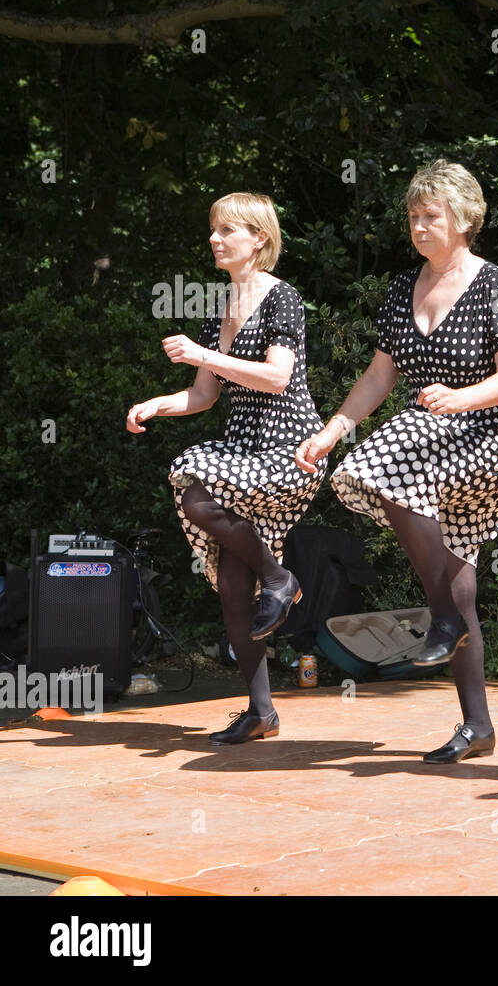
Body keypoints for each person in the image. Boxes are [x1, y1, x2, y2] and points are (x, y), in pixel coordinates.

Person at [295, 160, 498, 764]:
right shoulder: (403, 288)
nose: (420, 226)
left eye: (432, 216)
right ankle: (477, 725)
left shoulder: (493, 283)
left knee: (379, 464)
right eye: (414, 217)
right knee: (461, 577)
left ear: (464, 220)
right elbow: (380, 375)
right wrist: (333, 429)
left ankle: (442, 620)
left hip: (488, 431)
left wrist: (460, 398)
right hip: (432, 438)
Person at [127, 192, 325, 745]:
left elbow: (277, 377)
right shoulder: (224, 305)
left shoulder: (282, 298)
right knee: (234, 586)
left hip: (286, 447)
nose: (215, 239)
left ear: (259, 238)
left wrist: (201, 353)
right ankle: (261, 710)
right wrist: (157, 406)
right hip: (242, 445)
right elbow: (203, 395)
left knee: (193, 490)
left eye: (227, 230)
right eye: (213, 229)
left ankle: (281, 578)